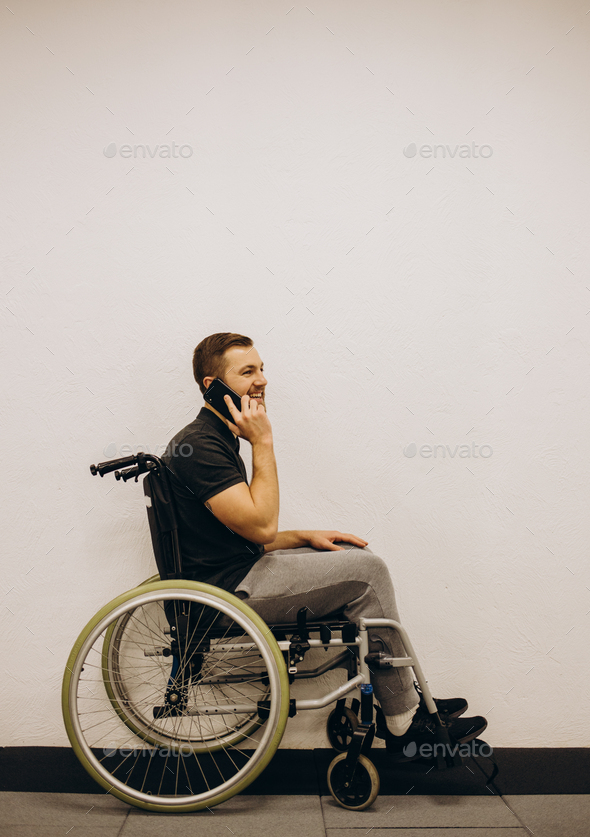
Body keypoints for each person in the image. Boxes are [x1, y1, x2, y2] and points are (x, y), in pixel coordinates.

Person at [163, 332, 487, 759]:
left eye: (262, 369)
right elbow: (260, 527)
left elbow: (234, 532)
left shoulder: (213, 438)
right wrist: (263, 441)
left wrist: (304, 537)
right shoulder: (202, 447)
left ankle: (404, 702)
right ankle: (404, 721)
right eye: (247, 372)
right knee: (367, 573)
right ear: (212, 386)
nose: (261, 380)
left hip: (229, 572)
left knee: (358, 559)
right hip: (227, 592)